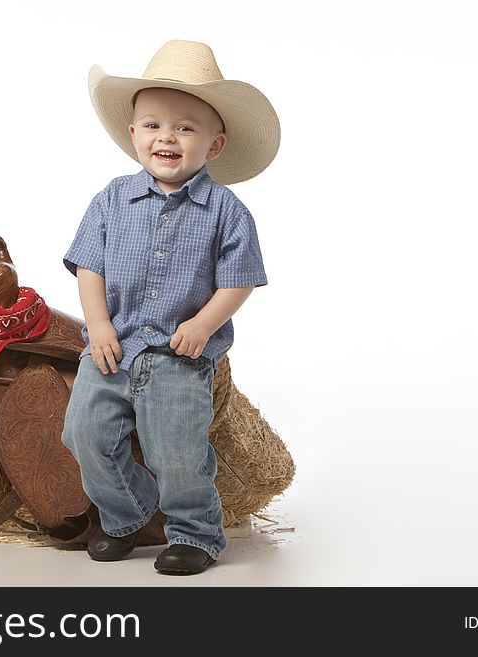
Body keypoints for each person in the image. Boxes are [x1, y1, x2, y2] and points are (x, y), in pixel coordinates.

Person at [60, 40, 280, 575]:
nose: (167, 137)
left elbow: (239, 279)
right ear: (133, 133)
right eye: (153, 124)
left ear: (215, 143)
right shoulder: (111, 198)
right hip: (112, 348)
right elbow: (91, 266)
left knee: (177, 451)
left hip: (178, 356)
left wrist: (204, 324)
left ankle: (195, 532)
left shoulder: (227, 211)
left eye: (185, 127)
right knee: (83, 434)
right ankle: (127, 514)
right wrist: (98, 325)